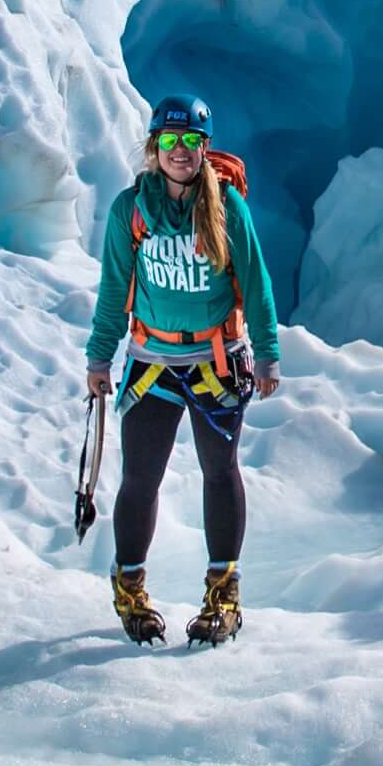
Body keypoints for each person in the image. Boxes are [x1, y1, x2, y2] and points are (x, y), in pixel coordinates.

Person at [84, 92, 281, 645]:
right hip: (152, 365)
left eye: (191, 141)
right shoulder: (132, 210)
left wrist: (266, 353)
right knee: (141, 480)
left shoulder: (226, 208)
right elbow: (113, 290)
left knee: (221, 473)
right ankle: (130, 591)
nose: (180, 151)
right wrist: (99, 357)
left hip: (217, 362)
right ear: (153, 146)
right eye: (169, 140)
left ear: (203, 149)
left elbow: (257, 281)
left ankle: (224, 595)